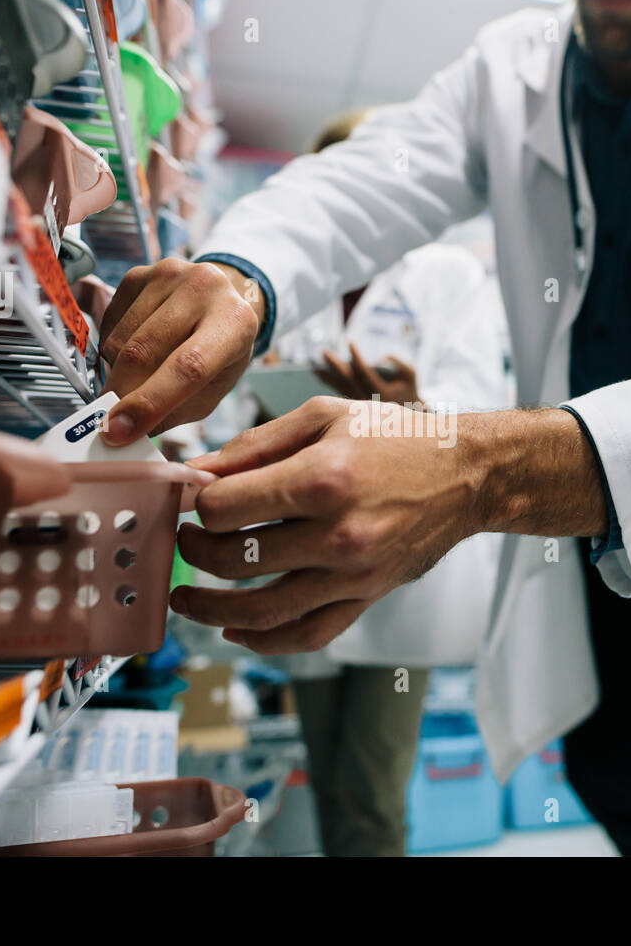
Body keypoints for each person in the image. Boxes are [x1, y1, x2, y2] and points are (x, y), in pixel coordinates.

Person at [95, 0, 631, 856]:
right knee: (607, 762)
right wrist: (244, 276)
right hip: (593, 553)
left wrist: (480, 471)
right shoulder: (512, 67)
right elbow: (364, 175)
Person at [262, 111, 511, 857]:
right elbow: (266, 400)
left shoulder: (445, 273)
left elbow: (483, 412)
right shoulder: (300, 281)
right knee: (331, 780)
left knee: (371, 793)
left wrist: (412, 404)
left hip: (399, 568)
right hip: (306, 547)